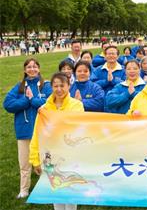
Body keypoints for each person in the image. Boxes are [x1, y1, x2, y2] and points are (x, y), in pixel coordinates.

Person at [30, 72, 84, 210]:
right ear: (52, 87)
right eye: (55, 86)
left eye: (62, 85)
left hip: (71, 156)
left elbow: (78, 129)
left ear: (68, 86)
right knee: (56, 190)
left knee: (71, 193)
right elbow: (37, 134)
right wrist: (35, 159)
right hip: (50, 157)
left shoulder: (76, 105)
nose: (59, 89)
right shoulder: (44, 109)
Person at [3, 58, 52, 199]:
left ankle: (48, 186)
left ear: (39, 69)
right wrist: (25, 100)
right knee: (24, 163)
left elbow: (49, 103)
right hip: (24, 130)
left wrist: (33, 100)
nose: (32, 69)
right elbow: (8, 104)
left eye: (35, 66)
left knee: (45, 161)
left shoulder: (46, 85)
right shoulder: (19, 87)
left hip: (43, 130)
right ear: (25, 70)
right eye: (29, 67)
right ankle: (24, 189)